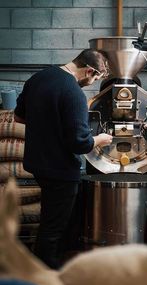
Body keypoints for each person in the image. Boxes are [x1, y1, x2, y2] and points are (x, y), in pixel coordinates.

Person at [14, 49, 113, 269]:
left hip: (38, 164)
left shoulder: (39, 78)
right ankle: (46, 273)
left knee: (52, 220)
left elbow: (18, 117)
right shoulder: (74, 93)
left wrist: (46, 127)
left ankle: (49, 265)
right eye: (95, 78)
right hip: (61, 171)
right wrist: (101, 139)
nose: (92, 82)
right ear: (89, 71)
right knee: (54, 229)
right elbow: (80, 143)